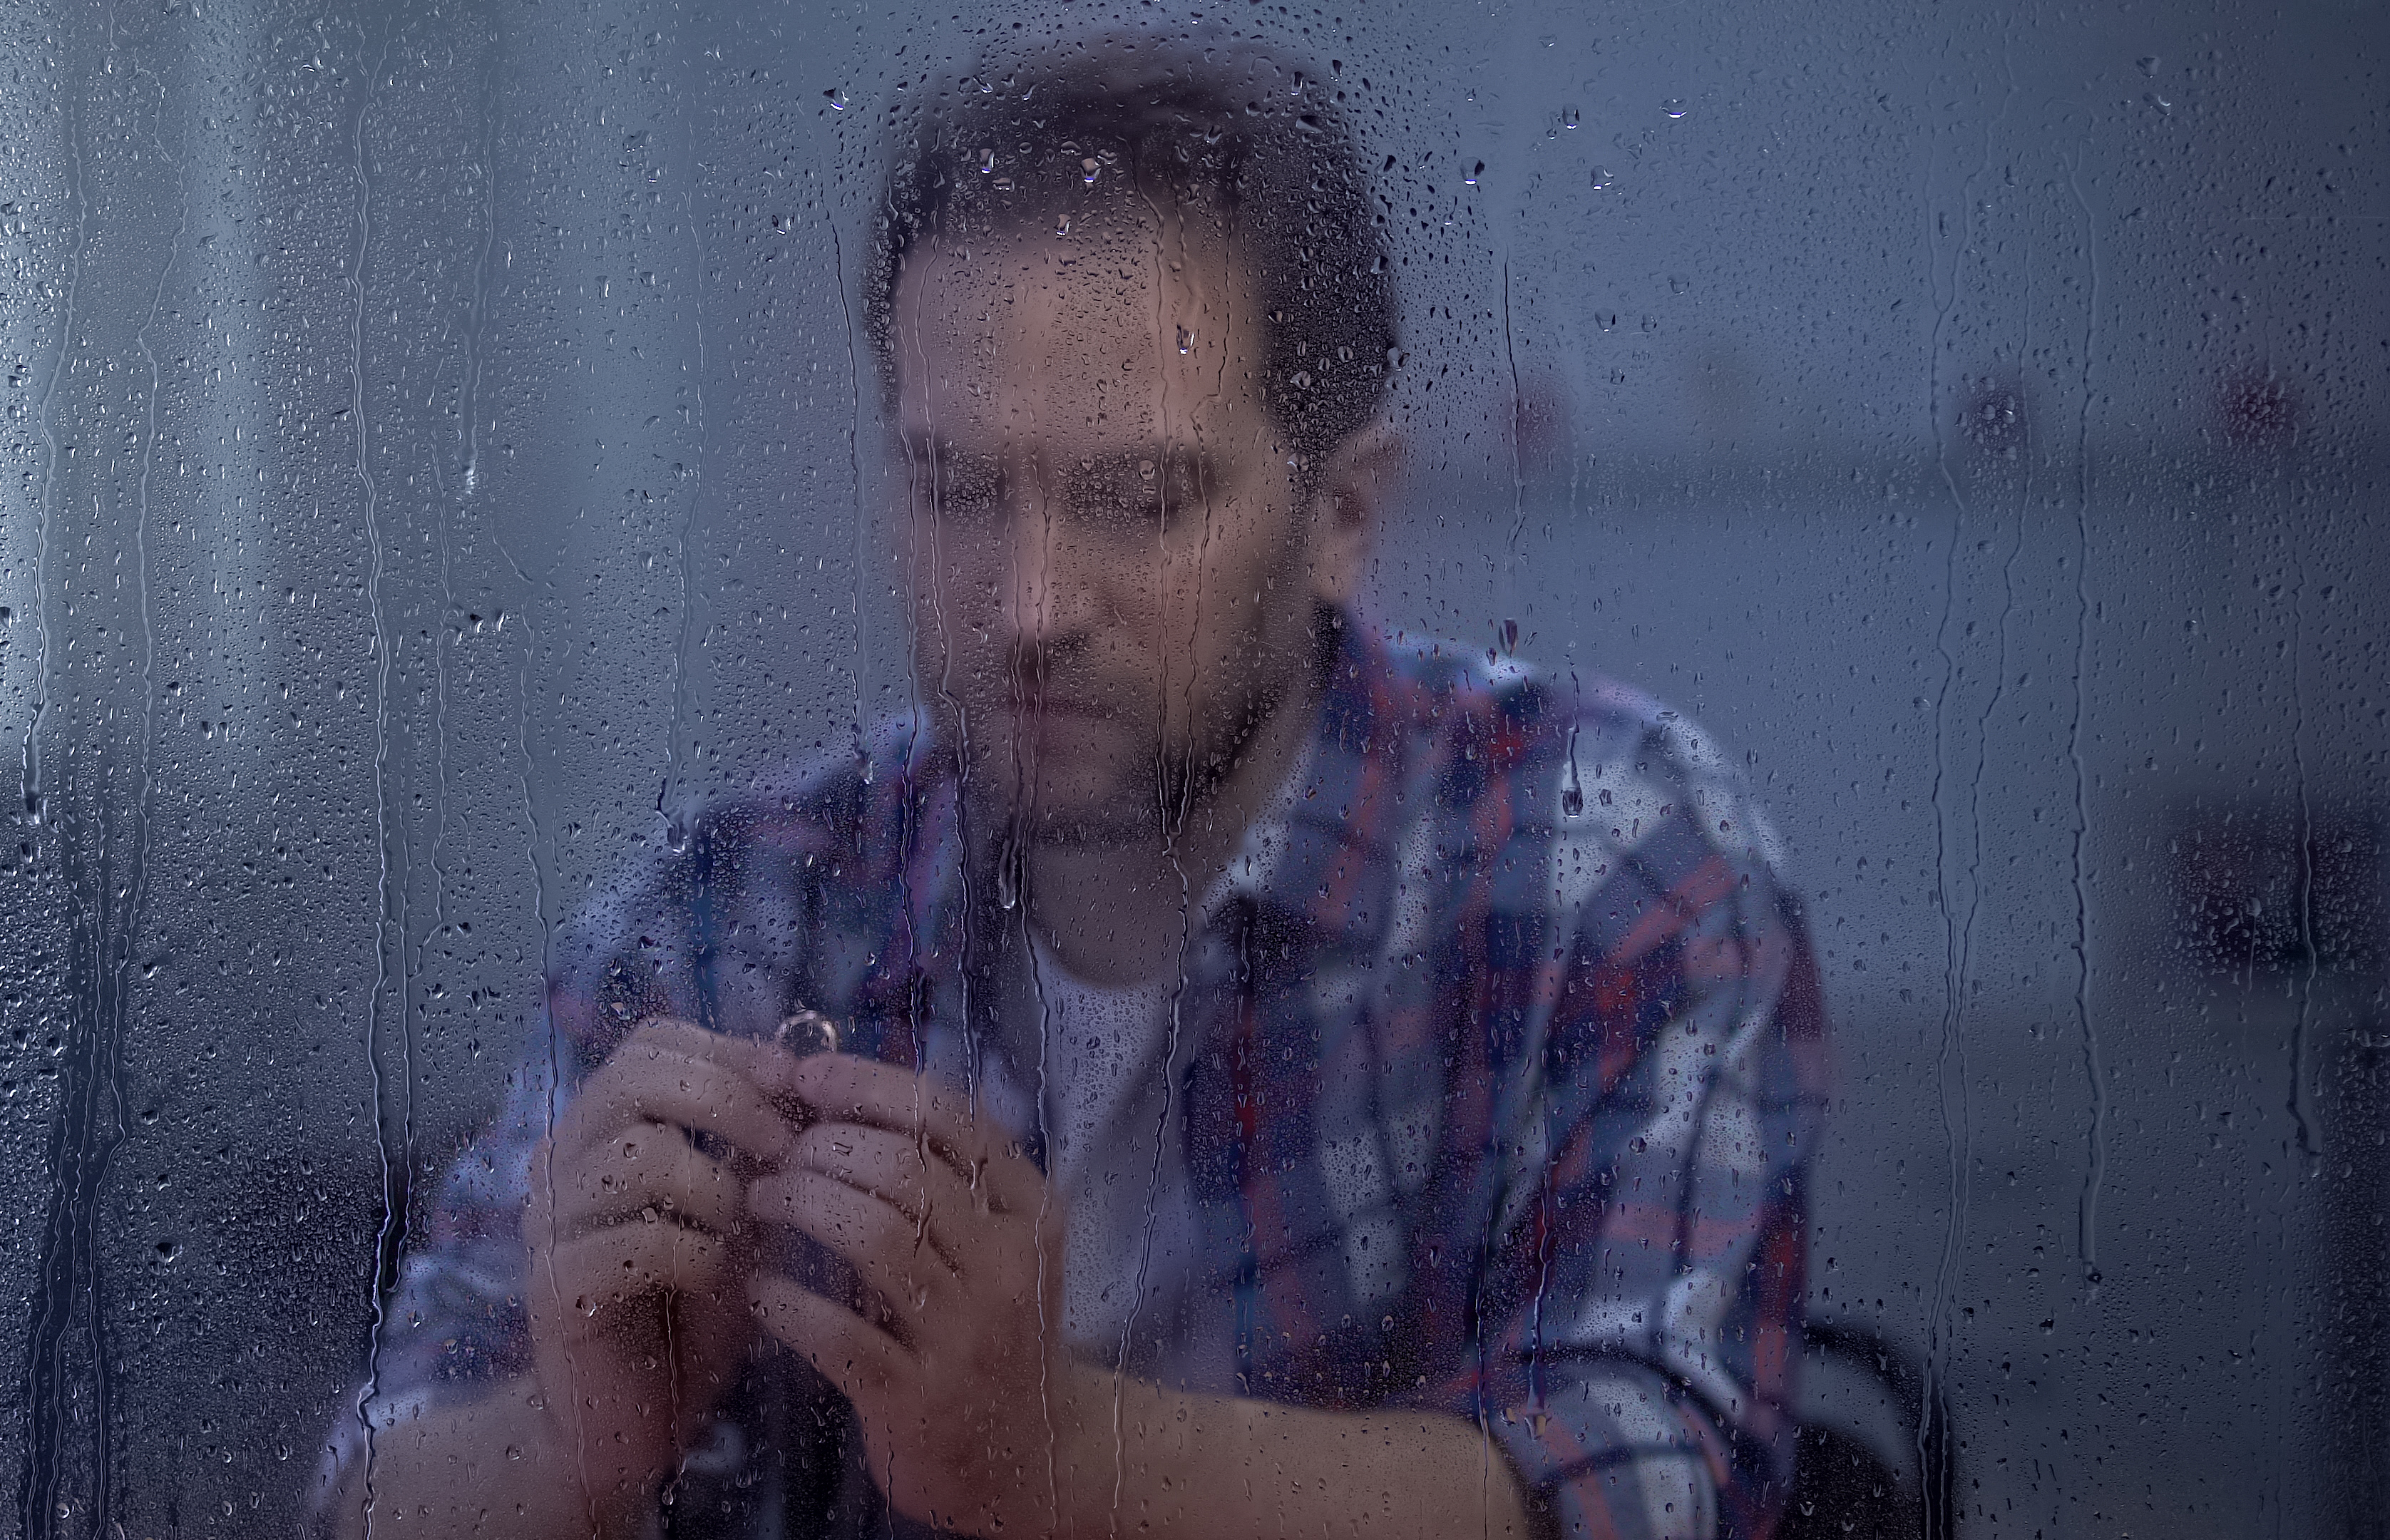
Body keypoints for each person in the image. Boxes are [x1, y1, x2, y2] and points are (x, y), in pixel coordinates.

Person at [324, 31, 1828, 1540]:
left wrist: (1053, 1452)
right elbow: (367, 1497)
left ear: (1342, 516)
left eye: (1140, 499)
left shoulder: (1604, 864)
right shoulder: (725, 923)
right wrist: (581, 1443)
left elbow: (1653, 1491)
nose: (1031, 601)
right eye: (957, 488)